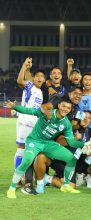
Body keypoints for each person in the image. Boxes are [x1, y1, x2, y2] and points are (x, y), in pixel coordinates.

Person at [5, 97, 91, 199]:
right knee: (27, 161)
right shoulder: (47, 113)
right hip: (34, 141)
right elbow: (29, 111)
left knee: (71, 158)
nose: (65, 109)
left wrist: (84, 144)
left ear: (70, 110)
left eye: (68, 108)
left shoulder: (66, 123)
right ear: (59, 105)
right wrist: (14, 107)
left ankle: (66, 185)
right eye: (63, 106)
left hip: (48, 143)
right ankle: (12, 189)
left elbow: (71, 142)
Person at [15, 57, 45, 194]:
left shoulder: (39, 91)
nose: (39, 78)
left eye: (42, 77)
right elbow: (20, 81)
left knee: (30, 150)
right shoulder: (30, 86)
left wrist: (28, 69)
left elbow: (28, 77)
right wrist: (24, 65)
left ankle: (24, 176)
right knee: (22, 148)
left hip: (34, 124)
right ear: (33, 79)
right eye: (37, 76)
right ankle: (19, 176)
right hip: (24, 122)